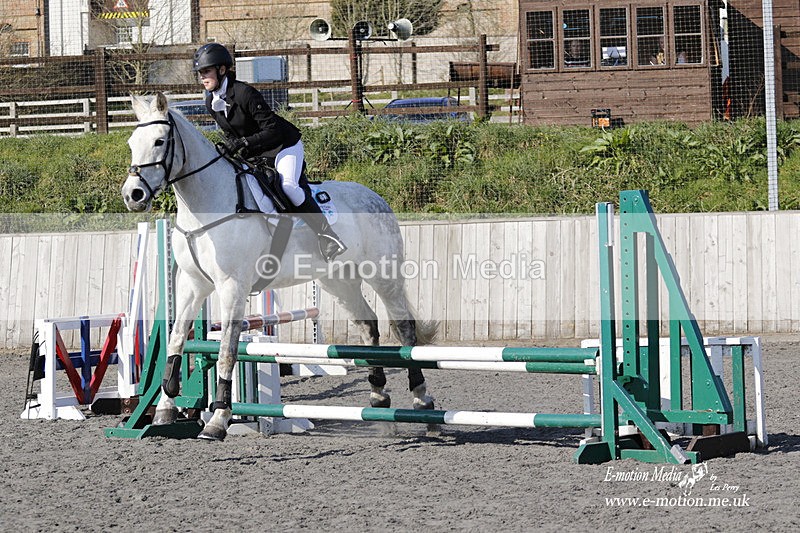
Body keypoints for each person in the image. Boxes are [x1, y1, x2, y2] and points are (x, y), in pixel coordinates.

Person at [192, 42, 347, 262]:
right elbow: (232, 132)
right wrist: (231, 146)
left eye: (206, 71)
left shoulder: (245, 93)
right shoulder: (211, 101)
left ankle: (327, 236)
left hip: (284, 146)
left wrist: (243, 142)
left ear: (222, 69)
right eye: (200, 73)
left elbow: (272, 131)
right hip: (257, 152)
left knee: (288, 186)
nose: (202, 77)